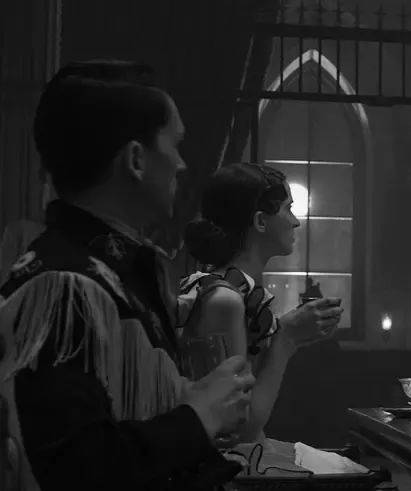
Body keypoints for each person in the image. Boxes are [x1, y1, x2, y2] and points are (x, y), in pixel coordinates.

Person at [0, 60, 255, 490]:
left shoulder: (116, 272)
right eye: (174, 144)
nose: (181, 165)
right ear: (136, 159)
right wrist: (199, 416)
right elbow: (76, 470)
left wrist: (190, 400)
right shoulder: (64, 287)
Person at [178, 162, 344, 442]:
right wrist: (287, 339)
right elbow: (241, 427)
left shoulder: (238, 291)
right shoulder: (224, 300)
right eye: (288, 209)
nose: (295, 221)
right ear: (261, 222)